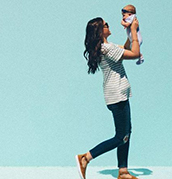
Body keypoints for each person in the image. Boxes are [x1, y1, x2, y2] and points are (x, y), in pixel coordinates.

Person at [75, 17, 140, 179]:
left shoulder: (108, 47)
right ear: (99, 31)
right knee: (121, 136)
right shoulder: (105, 49)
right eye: (105, 25)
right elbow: (134, 53)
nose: (108, 26)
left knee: (126, 133)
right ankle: (86, 157)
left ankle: (123, 171)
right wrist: (133, 31)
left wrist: (129, 33)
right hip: (117, 95)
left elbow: (125, 48)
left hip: (119, 94)